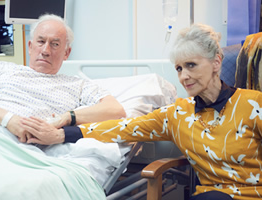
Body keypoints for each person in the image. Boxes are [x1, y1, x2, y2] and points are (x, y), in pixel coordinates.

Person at [22, 24, 262, 200]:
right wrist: (64, 132)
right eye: (178, 68)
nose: (184, 76)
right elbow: (122, 128)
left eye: (191, 65)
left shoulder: (253, 105)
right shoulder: (177, 114)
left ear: (216, 62)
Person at [0, 13, 126, 144]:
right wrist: (9, 120)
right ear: (30, 47)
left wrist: (67, 117)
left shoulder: (78, 85)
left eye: (55, 44)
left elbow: (115, 111)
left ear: (66, 53)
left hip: (22, 148)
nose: (45, 50)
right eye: (41, 41)